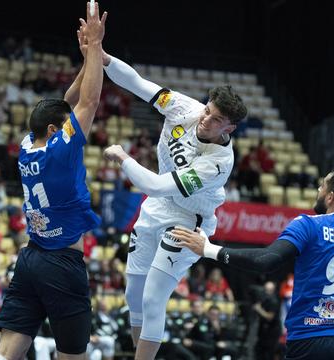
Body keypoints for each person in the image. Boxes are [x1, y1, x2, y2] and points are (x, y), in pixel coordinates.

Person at [101, 46, 247, 359]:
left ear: (229, 128)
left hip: (188, 220)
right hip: (157, 208)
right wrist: (103, 58)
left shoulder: (218, 162)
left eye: (217, 119)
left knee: (154, 299)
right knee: (133, 294)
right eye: (208, 110)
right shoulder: (184, 107)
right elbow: (138, 83)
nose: (206, 119)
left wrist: (124, 158)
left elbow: (154, 185)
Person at [0, 3, 108, 360]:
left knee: (5, 353)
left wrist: (87, 59)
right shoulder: (61, 151)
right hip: (62, 264)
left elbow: (65, 105)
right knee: (73, 356)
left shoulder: (27, 145)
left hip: (31, 258)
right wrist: (97, 48)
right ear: (56, 131)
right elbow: (88, 101)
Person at [172, 168, 334, 360]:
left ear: (331, 196)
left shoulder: (309, 225)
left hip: (311, 337)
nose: (318, 190)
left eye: (322, 186)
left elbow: (266, 261)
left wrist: (209, 249)